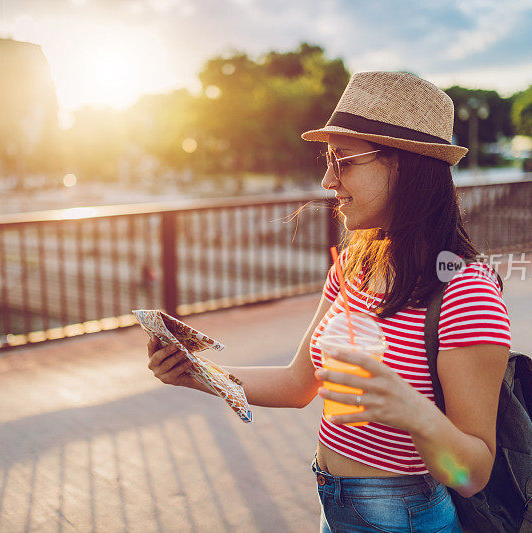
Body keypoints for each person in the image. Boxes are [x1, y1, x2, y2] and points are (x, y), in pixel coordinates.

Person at [146, 71, 512, 533]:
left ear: (405, 165)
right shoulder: (353, 264)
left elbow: (474, 473)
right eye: (327, 160)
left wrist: (414, 412)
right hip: (333, 504)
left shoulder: (466, 290)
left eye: (344, 161)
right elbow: (298, 384)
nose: (326, 180)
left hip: (405, 517)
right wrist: (198, 375)